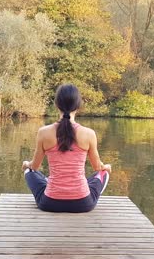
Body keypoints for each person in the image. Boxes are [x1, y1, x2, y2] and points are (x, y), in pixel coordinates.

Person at [22, 84, 111, 212]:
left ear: (57, 105)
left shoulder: (43, 132)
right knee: (103, 174)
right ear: (78, 106)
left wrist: (26, 164)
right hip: (83, 203)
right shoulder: (89, 134)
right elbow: (98, 167)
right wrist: (105, 167)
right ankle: (77, 185)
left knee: (29, 172)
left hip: (50, 203)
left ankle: (50, 182)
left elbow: (34, 166)